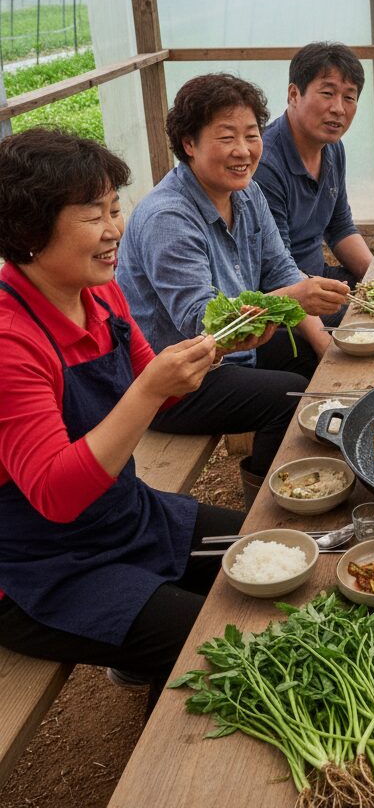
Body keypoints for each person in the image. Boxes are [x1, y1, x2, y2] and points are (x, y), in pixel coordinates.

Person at [0, 128, 241, 708]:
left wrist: (212, 353)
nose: (115, 230)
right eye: (94, 215)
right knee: (222, 650)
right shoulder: (10, 344)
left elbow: (163, 394)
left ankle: (141, 652)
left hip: (125, 516)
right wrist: (150, 389)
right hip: (42, 569)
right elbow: (57, 495)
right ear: (30, 230)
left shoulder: (99, 294)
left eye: (114, 208)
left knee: (273, 555)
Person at [117, 72, 349, 488]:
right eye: (227, 137)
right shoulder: (168, 217)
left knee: (319, 343)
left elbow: (282, 270)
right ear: (189, 144)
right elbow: (203, 324)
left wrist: (323, 344)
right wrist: (292, 298)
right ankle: (265, 501)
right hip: (175, 379)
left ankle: (316, 465)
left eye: (251, 135)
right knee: (287, 395)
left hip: (235, 352)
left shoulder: (245, 192)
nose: (243, 150)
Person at [253, 42, 372, 323]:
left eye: (349, 97)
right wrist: (324, 342)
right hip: (281, 300)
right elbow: (278, 269)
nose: (338, 109)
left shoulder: (332, 148)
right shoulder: (265, 163)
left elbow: (340, 227)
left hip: (318, 277)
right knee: (367, 323)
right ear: (294, 94)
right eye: (328, 93)